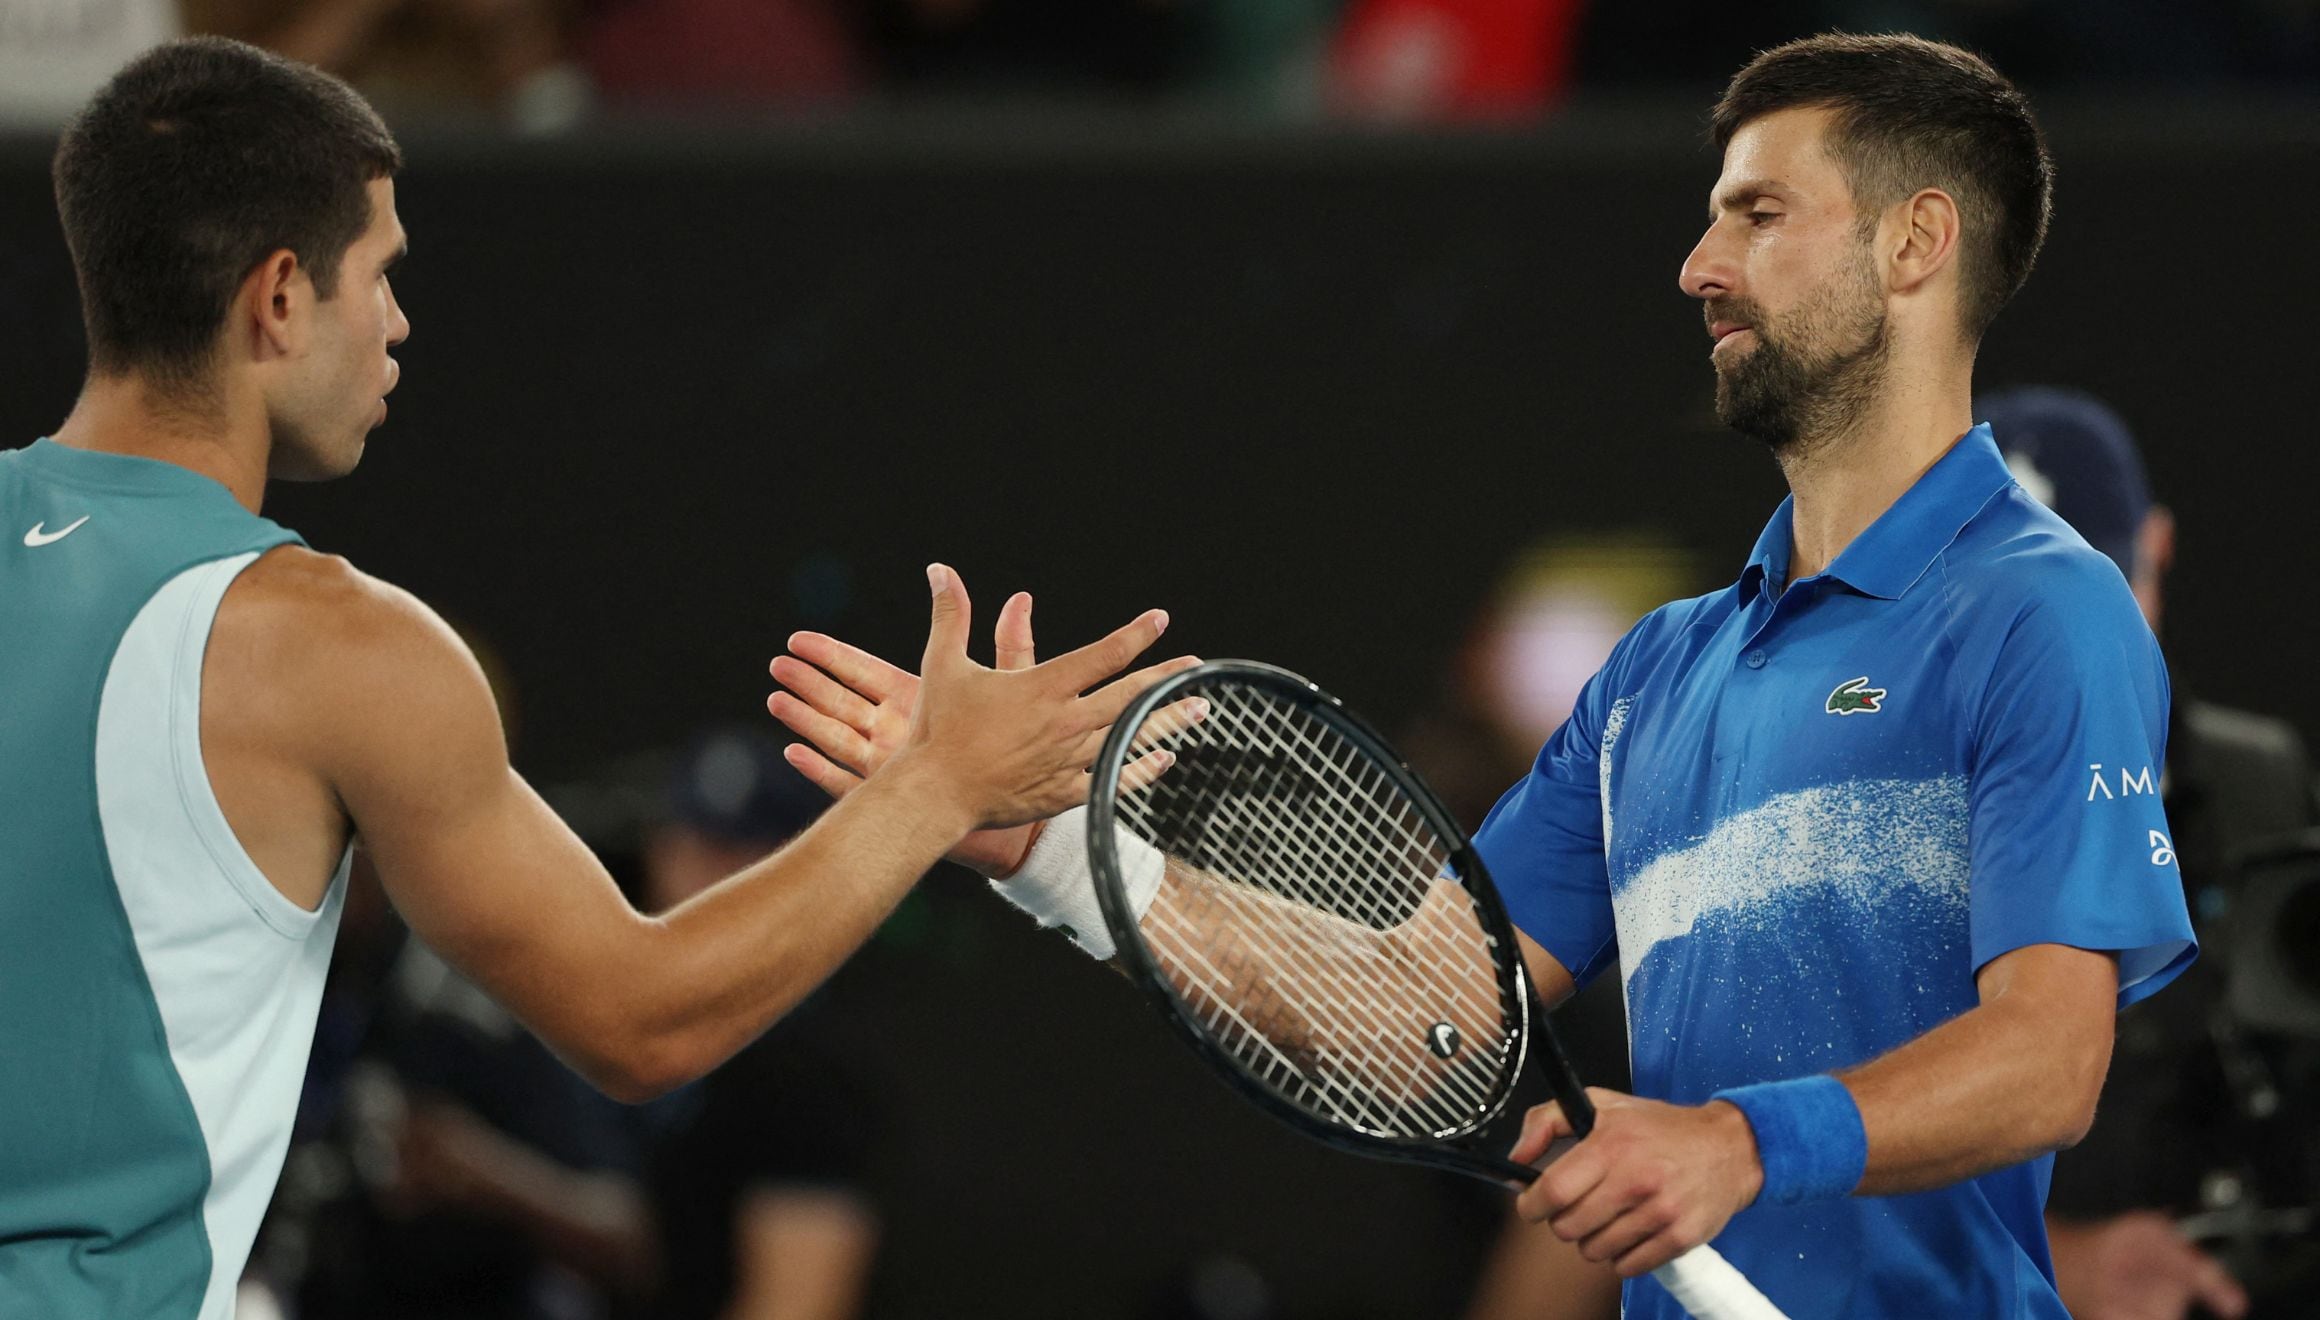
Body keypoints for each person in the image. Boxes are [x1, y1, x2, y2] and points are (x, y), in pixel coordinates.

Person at [770, 33, 2197, 1318]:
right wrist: (1064, 856)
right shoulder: (1656, 674)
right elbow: (1422, 1020)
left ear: (1915, 242)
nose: (1698, 266)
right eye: (1713, 216)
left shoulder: (2043, 609)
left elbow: (2048, 1061)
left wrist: (1736, 1142)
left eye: (1759, 214)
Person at [0, 36, 1188, 1317]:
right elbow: (641, 1022)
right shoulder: (336, 649)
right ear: (280, 297)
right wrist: (938, 783)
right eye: (381, 274)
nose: (396, 323)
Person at [1982, 384, 2318, 1320]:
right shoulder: (1876, 829)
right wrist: (2064, 1265)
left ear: (2157, 549)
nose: (2067, 652)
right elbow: (1792, 1150)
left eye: (2098, 595)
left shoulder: (2259, 785)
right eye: (2018, 614)